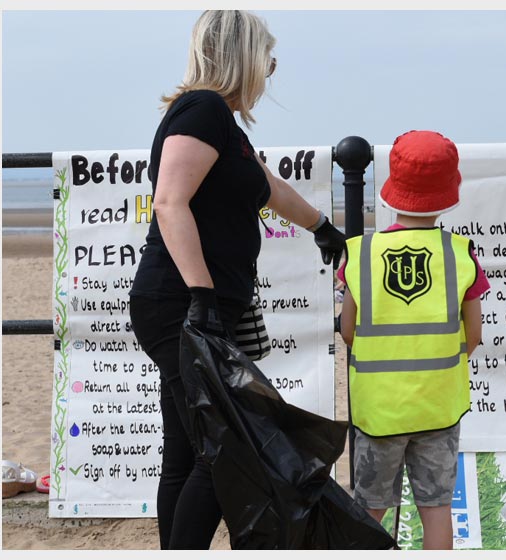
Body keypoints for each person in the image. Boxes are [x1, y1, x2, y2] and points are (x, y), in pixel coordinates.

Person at [128, 10, 345, 550]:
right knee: (222, 449)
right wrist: (202, 296)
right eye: (267, 53)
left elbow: (268, 187)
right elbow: (168, 202)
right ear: (242, 55)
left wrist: (321, 225)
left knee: (186, 449)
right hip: (182, 304)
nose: (272, 66)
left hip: (194, 304)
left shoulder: (223, 123)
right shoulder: (201, 110)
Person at [338, 130, 490, 550]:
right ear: (450, 192)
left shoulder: (361, 253)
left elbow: (348, 330)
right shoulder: (461, 254)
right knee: (437, 509)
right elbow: (472, 334)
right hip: (438, 406)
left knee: (368, 509)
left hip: (379, 410)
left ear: (391, 192)